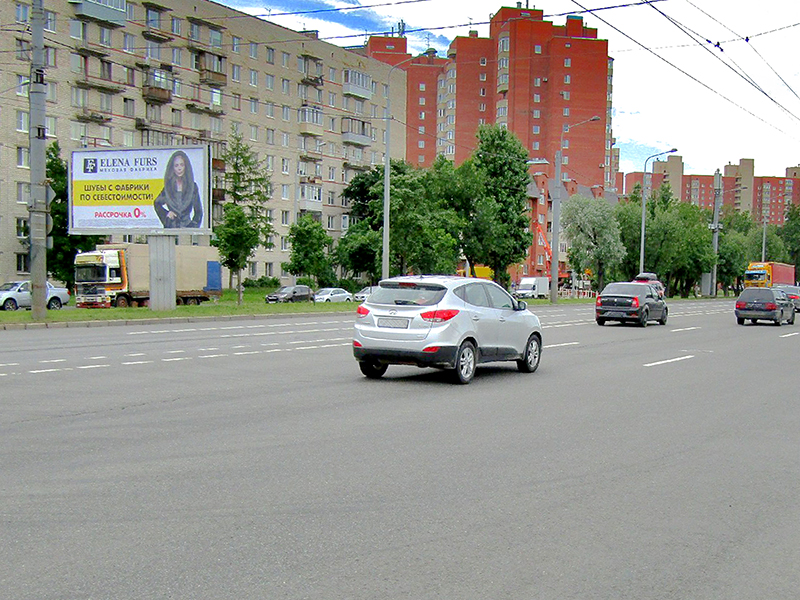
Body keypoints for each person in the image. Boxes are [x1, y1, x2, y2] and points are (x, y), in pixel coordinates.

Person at [154, 150, 203, 228]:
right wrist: (166, 213)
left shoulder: (192, 187)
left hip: (187, 228)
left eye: (182, 165)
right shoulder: (168, 187)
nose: (179, 168)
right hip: (171, 228)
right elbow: (157, 203)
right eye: (176, 166)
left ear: (185, 166)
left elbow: (198, 211)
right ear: (172, 168)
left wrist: (192, 227)